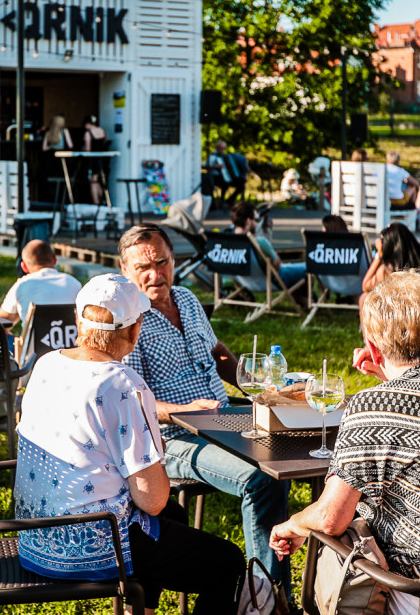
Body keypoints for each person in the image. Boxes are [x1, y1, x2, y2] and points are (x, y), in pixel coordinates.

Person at [269, 271, 420, 615]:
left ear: (373, 348)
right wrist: (389, 378)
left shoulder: (369, 408)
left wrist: (292, 524)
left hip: (417, 589)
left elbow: (330, 519)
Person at [14, 274, 245, 613]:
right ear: (135, 330)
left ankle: (143, 610)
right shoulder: (123, 384)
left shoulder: (45, 363)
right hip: (93, 545)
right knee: (228, 563)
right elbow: (150, 499)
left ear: (78, 320)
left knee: (173, 517)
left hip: (36, 536)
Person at [115, 224, 293, 602]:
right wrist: (185, 410)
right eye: (143, 268)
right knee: (262, 480)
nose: (154, 274)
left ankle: (299, 586)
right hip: (175, 437)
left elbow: (216, 351)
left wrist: (253, 381)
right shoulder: (131, 321)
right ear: (124, 271)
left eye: (161, 262)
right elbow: (134, 403)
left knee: (298, 453)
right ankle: (268, 600)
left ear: (173, 261)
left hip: (225, 418)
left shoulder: (187, 299)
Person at [230, 201, 307, 303]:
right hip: (267, 281)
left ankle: (301, 299)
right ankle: (306, 301)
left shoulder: (226, 241)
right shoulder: (260, 242)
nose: (258, 223)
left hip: (243, 281)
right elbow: (277, 266)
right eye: (257, 219)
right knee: (306, 268)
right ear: (248, 221)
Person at [0, 240, 83, 326]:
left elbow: (0, 322)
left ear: (24, 266)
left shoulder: (22, 285)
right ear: (55, 259)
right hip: (71, 340)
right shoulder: (74, 283)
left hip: (35, 340)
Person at [360, 222, 420, 306]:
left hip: (396, 310)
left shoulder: (388, 270)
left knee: (364, 297)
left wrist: (379, 255)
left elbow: (365, 286)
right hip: (417, 307)